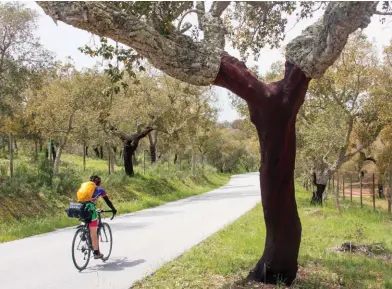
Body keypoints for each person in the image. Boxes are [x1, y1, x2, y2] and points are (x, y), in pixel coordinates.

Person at [85, 175, 117, 259]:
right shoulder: (99, 189)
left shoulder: (85, 187)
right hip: (90, 208)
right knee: (94, 232)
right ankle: (96, 253)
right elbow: (107, 201)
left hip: (80, 208)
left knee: (86, 220)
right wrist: (113, 209)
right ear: (99, 182)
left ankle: (83, 232)